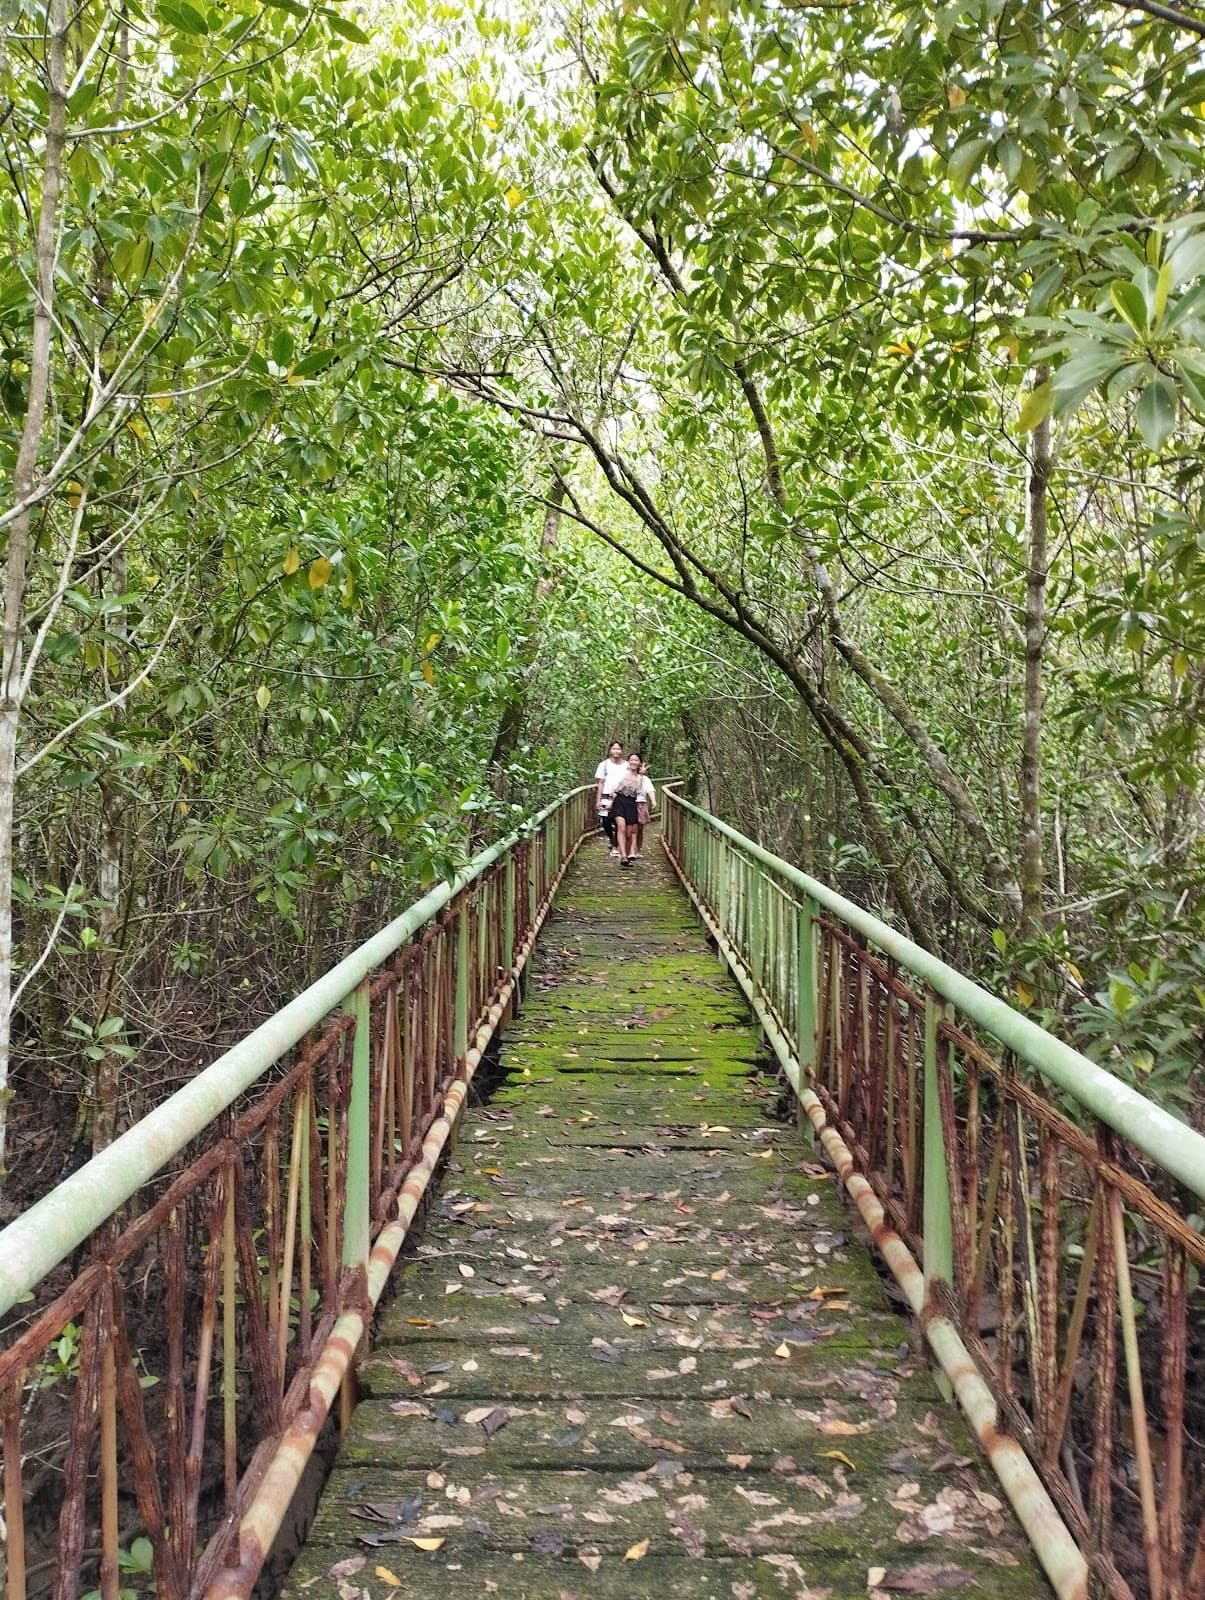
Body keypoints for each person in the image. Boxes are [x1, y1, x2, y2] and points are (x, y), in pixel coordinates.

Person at [609, 752, 646, 867]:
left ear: (639, 763)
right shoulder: (622, 773)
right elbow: (613, 787)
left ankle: (627, 855)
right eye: (631, 760)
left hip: (631, 803)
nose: (633, 762)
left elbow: (639, 791)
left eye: (636, 760)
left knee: (629, 833)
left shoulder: (640, 777)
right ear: (628, 761)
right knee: (621, 827)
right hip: (620, 801)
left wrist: (641, 775)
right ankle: (623, 856)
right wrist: (613, 797)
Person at [594, 740, 626, 856]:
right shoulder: (604, 765)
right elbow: (601, 783)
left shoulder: (626, 765)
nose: (616, 751)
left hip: (621, 797)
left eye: (618, 749)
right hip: (606, 796)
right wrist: (598, 800)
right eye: (614, 749)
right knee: (606, 821)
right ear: (610, 750)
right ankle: (612, 838)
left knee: (619, 821)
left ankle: (615, 845)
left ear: (621, 751)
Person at [632, 760, 656, 858]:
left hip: (641, 803)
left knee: (640, 828)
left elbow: (650, 790)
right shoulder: (628, 776)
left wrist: (653, 800)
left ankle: (637, 849)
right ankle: (630, 850)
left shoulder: (645, 779)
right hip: (630, 802)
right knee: (632, 828)